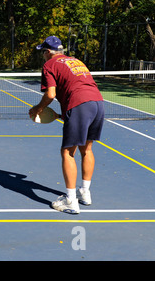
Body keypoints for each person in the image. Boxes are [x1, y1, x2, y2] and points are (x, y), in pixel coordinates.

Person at [28, 36, 104, 214]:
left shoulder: (49, 65)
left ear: (48, 52)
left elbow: (51, 94)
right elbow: (79, 87)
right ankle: (85, 193)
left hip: (79, 105)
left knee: (68, 152)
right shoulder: (76, 61)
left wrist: (38, 108)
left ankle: (71, 200)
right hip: (98, 102)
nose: (43, 56)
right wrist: (62, 114)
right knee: (87, 149)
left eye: (43, 52)